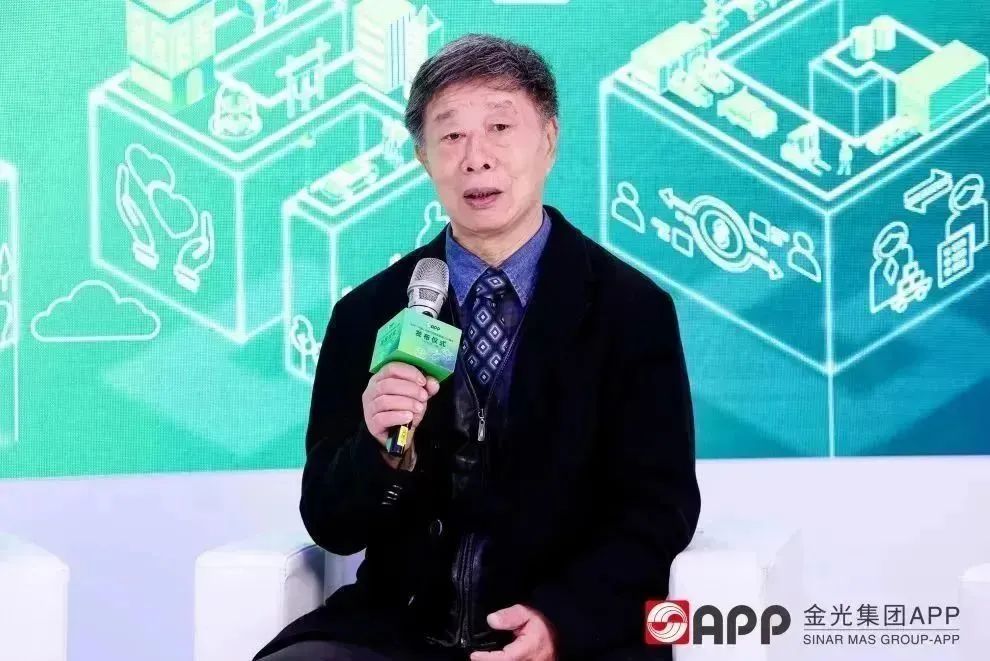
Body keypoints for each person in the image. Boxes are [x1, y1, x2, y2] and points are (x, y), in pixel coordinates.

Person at [254, 34, 700, 661]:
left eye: (500, 127)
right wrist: (377, 451)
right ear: (423, 157)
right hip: (400, 630)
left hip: (565, 630)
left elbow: (659, 509)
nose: (476, 158)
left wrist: (562, 620)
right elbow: (331, 524)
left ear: (548, 139)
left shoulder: (629, 310)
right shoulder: (368, 314)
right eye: (452, 135)